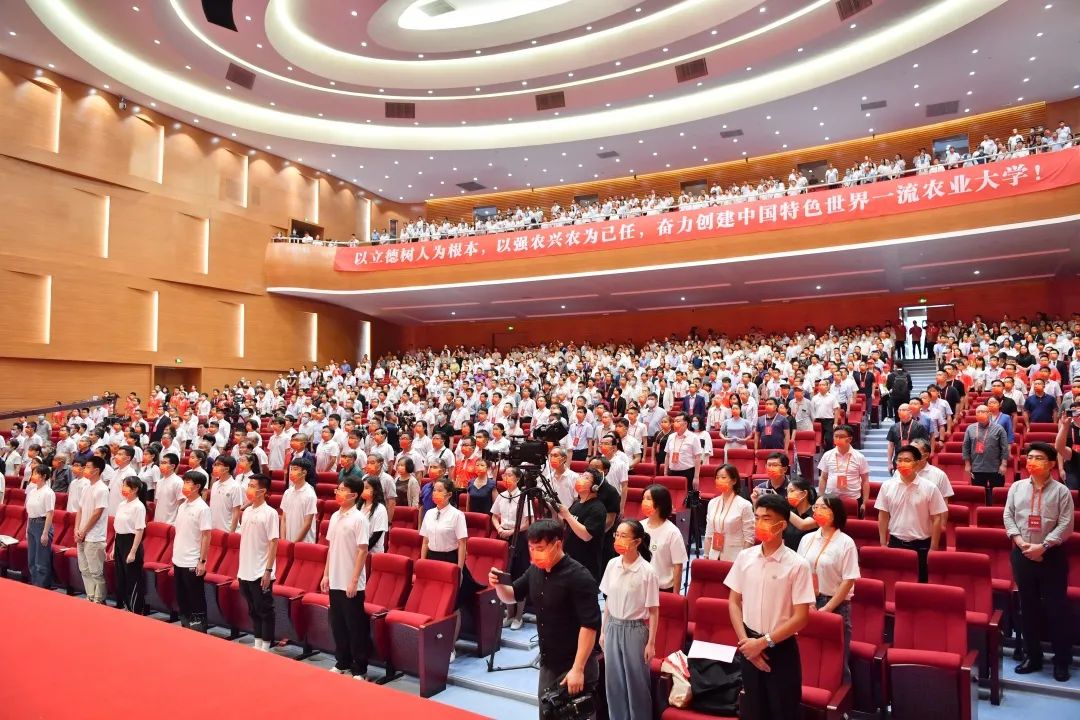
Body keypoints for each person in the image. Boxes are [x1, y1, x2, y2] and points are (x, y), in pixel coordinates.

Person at [489, 519, 602, 719]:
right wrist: (498, 584)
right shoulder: (535, 570)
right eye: (531, 548)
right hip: (549, 663)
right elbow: (512, 594)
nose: (534, 553)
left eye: (540, 548)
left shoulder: (579, 577)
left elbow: (589, 626)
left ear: (557, 544)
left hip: (575, 664)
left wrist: (578, 669)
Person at [725, 493, 815, 720]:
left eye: (766, 518)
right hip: (749, 644)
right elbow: (734, 602)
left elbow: (801, 617)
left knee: (783, 711)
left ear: (782, 524)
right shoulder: (745, 557)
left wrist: (763, 643)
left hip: (780, 648)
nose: (759, 524)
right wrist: (747, 644)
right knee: (754, 710)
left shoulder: (797, 565)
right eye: (757, 518)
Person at [1003, 442, 1074, 682]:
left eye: (1039, 458)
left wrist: (1043, 546)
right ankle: (1033, 656)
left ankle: (1061, 660)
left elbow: (1066, 525)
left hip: (1051, 556)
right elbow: (1008, 516)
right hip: (1022, 554)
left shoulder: (1061, 491)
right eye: (1030, 457)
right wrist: (1022, 543)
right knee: (1028, 607)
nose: (1032, 461)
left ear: (1051, 464)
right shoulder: (1017, 487)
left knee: (1057, 610)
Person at [599, 519, 659, 720]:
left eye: (624, 536)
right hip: (613, 626)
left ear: (637, 541)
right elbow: (608, 601)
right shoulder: (611, 564)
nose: (618, 539)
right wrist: (603, 630)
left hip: (635, 630)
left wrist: (651, 643)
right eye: (617, 535)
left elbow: (653, 611)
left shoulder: (647, 571)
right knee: (613, 682)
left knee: (636, 683)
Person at [797, 493, 860, 683]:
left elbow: (848, 580)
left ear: (835, 512)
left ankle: (841, 706)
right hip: (807, 602)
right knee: (808, 654)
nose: (817, 511)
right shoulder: (807, 538)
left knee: (837, 660)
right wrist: (807, 602)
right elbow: (800, 572)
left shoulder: (846, 542)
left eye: (823, 507)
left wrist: (828, 607)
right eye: (815, 507)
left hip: (835, 605)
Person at [320, 477, 371, 678]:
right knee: (338, 624)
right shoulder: (334, 516)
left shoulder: (359, 519)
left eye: (343, 490)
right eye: (338, 489)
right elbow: (331, 548)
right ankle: (342, 662)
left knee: (355, 626)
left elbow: (362, 551)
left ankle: (360, 668)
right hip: (335, 578)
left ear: (354, 495)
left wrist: (353, 580)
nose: (338, 493)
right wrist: (325, 575)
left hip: (352, 582)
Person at [875, 445, 946, 582]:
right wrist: (883, 543)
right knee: (896, 582)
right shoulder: (887, 486)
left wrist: (934, 547)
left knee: (920, 584)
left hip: (922, 545)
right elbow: (883, 515)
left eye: (907, 460)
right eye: (899, 460)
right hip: (895, 543)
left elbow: (937, 518)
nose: (902, 464)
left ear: (917, 463)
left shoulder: (930, 488)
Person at [238, 474, 279, 652]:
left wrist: (268, 570)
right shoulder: (246, 511)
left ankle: (266, 646)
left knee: (265, 610)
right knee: (253, 609)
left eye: (253, 485)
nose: (249, 488)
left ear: (262, 490)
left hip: (261, 570)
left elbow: (273, 542)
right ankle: (257, 643)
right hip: (245, 569)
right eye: (249, 485)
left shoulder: (270, 513)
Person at [491, 467, 533, 630]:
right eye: (504, 475)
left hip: (519, 537)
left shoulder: (524, 496)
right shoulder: (501, 495)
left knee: (518, 576)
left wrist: (512, 531)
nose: (506, 477)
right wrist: (499, 529)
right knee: (505, 577)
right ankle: (509, 614)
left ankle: (518, 616)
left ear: (517, 479)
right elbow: (494, 516)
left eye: (509, 475)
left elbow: (528, 522)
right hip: (503, 537)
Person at [173, 470, 213, 631]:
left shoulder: (202, 508)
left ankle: (199, 630)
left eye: (188, 483)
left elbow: (206, 536)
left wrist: (202, 561)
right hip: (178, 559)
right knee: (182, 598)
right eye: (184, 482)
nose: (184, 486)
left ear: (197, 486)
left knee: (195, 597)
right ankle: (185, 626)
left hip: (192, 560)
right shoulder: (183, 505)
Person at [558, 469, 608, 583]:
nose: (580, 479)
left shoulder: (598, 508)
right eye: (581, 476)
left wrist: (568, 515)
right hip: (570, 560)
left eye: (586, 477)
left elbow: (586, 536)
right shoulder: (576, 504)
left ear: (595, 487)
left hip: (586, 565)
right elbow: (567, 525)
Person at [640, 484, 688, 593]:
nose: (644, 502)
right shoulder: (640, 527)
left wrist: (675, 595)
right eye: (643, 499)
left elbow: (678, 566)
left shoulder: (672, 532)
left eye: (648, 499)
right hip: (641, 586)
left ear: (660, 504)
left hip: (663, 589)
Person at [75, 456, 110, 604]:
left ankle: (99, 599)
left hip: (94, 536)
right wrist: (77, 529)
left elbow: (97, 513)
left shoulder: (102, 489)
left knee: (96, 571)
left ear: (96, 470)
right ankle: (90, 596)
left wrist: (84, 531)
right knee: (84, 569)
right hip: (82, 533)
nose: (85, 469)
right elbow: (80, 509)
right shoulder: (86, 487)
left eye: (88, 467)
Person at [703, 464, 755, 561]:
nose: (719, 480)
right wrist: (706, 555)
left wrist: (742, 560)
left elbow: (749, 538)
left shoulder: (744, 505)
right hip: (713, 555)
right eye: (717, 478)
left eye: (723, 477)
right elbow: (709, 534)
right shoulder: (712, 503)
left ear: (734, 481)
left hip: (735, 557)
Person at [963, 404, 1010, 505]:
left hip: (995, 468)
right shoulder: (970, 428)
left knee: (996, 494)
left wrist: (1004, 464)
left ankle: (995, 512)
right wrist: (967, 464)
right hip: (977, 467)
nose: (980, 414)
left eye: (983, 412)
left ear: (989, 413)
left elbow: (1005, 448)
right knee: (979, 494)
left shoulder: (999, 428)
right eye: (978, 412)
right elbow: (966, 447)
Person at [817, 424, 870, 515]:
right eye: (836, 436)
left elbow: (865, 481)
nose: (837, 439)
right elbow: (823, 478)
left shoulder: (859, 457)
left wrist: (865, 503)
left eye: (841, 437)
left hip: (853, 498)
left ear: (849, 439)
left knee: (851, 525)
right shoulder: (827, 455)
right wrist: (821, 498)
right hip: (831, 498)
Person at [113, 476, 147, 613]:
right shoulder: (122, 504)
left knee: (133, 578)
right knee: (121, 577)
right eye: (123, 485)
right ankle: (126, 606)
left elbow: (139, 530)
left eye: (126, 486)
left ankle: (136, 610)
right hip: (119, 541)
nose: (123, 489)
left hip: (131, 542)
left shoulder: (139, 507)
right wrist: (113, 547)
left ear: (135, 489)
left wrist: (133, 551)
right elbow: (117, 526)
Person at [24, 465, 56, 588]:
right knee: (31, 559)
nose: (33, 476)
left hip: (42, 524)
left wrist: (45, 532)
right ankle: (34, 583)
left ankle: (42, 586)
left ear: (43, 476)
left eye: (36, 473)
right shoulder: (32, 490)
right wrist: (27, 529)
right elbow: (29, 512)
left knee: (41, 560)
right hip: (32, 523)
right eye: (33, 473)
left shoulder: (48, 492)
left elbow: (50, 513)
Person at [281, 457, 318, 543]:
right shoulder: (287, 492)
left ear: (304, 472)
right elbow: (284, 519)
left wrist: (295, 542)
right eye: (291, 469)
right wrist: (283, 540)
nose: (291, 472)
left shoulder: (310, 494)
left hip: (304, 542)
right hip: (288, 541)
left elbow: (307, 524)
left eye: (295, 469)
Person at [360, 476, 389, 554]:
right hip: (357, 549)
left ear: (375, 490)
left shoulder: (380, 509)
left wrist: (362, 551)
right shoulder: (359, 506)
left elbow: (376, 536)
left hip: (372, 553)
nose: (363, 490)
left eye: (366, 488)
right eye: (362, 487)